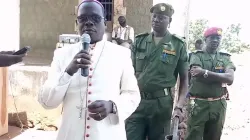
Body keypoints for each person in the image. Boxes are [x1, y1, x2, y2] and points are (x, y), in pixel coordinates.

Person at [38, 1, 140, 140]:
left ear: (105, 23)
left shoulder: (121, 54)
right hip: (71, 134)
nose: (89, 23)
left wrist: (112, 106)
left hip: (107, 134)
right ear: (77, 23)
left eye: (95, 18)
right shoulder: (62, 54)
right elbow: (47, 102)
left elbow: (133, 95)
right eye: (83, 19)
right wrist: (68, 72)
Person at [126, 3, 189, 140]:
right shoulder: (139, 41)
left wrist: (179, 107)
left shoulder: (178, 45)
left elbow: (184, 81)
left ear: (169, 21)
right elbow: (128, 73)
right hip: (136, 102)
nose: (156, 20)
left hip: (161, 105)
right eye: (154, 16)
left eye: (161, 17)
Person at [185, 27, 236, 140]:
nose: (215, 41)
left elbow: (230, 79)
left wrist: (206, 72)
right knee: (193, 136)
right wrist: (221, 77)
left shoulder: (224, 57)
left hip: (218, 105)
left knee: (214, 137)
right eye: (212, 38)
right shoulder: (197, 55)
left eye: (218, 38)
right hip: (199, 104)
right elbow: (196, 73)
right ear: (205, 39)